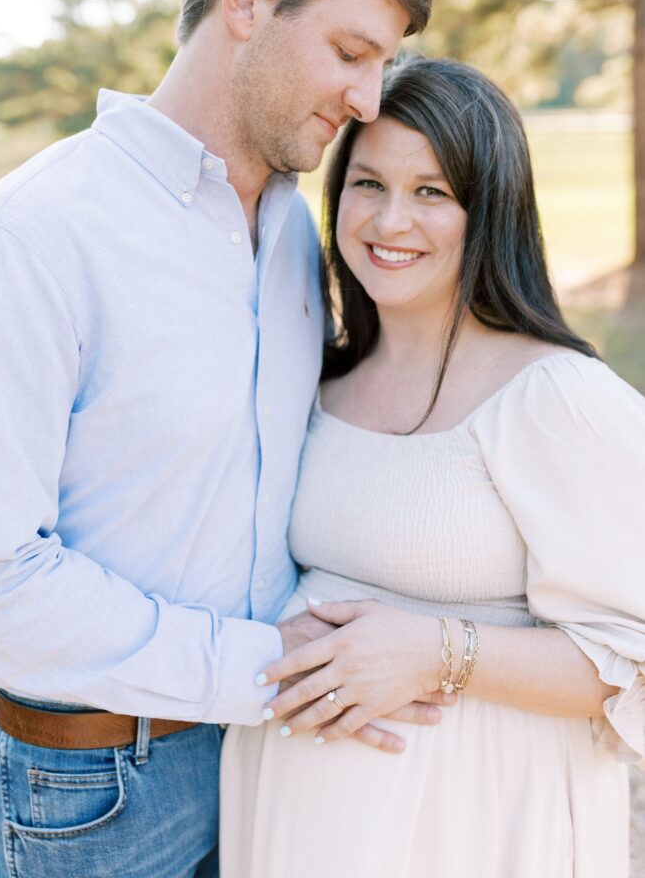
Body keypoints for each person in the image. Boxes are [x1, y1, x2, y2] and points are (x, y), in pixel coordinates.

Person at [0, 0, 436, 878]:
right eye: (351, 53)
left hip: (269, 755)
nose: (364, 100)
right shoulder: (36, 234)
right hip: (91, 793)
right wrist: (268, 669)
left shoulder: (289, 233)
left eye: (380, 66)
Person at [220, 55, 645, 878]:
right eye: (367, 183)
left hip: (472, 830)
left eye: (431, 192)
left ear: (489, 212)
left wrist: (440, 650)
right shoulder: (315, 377)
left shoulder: (553, 397)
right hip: (294, 824)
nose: (388, 221)